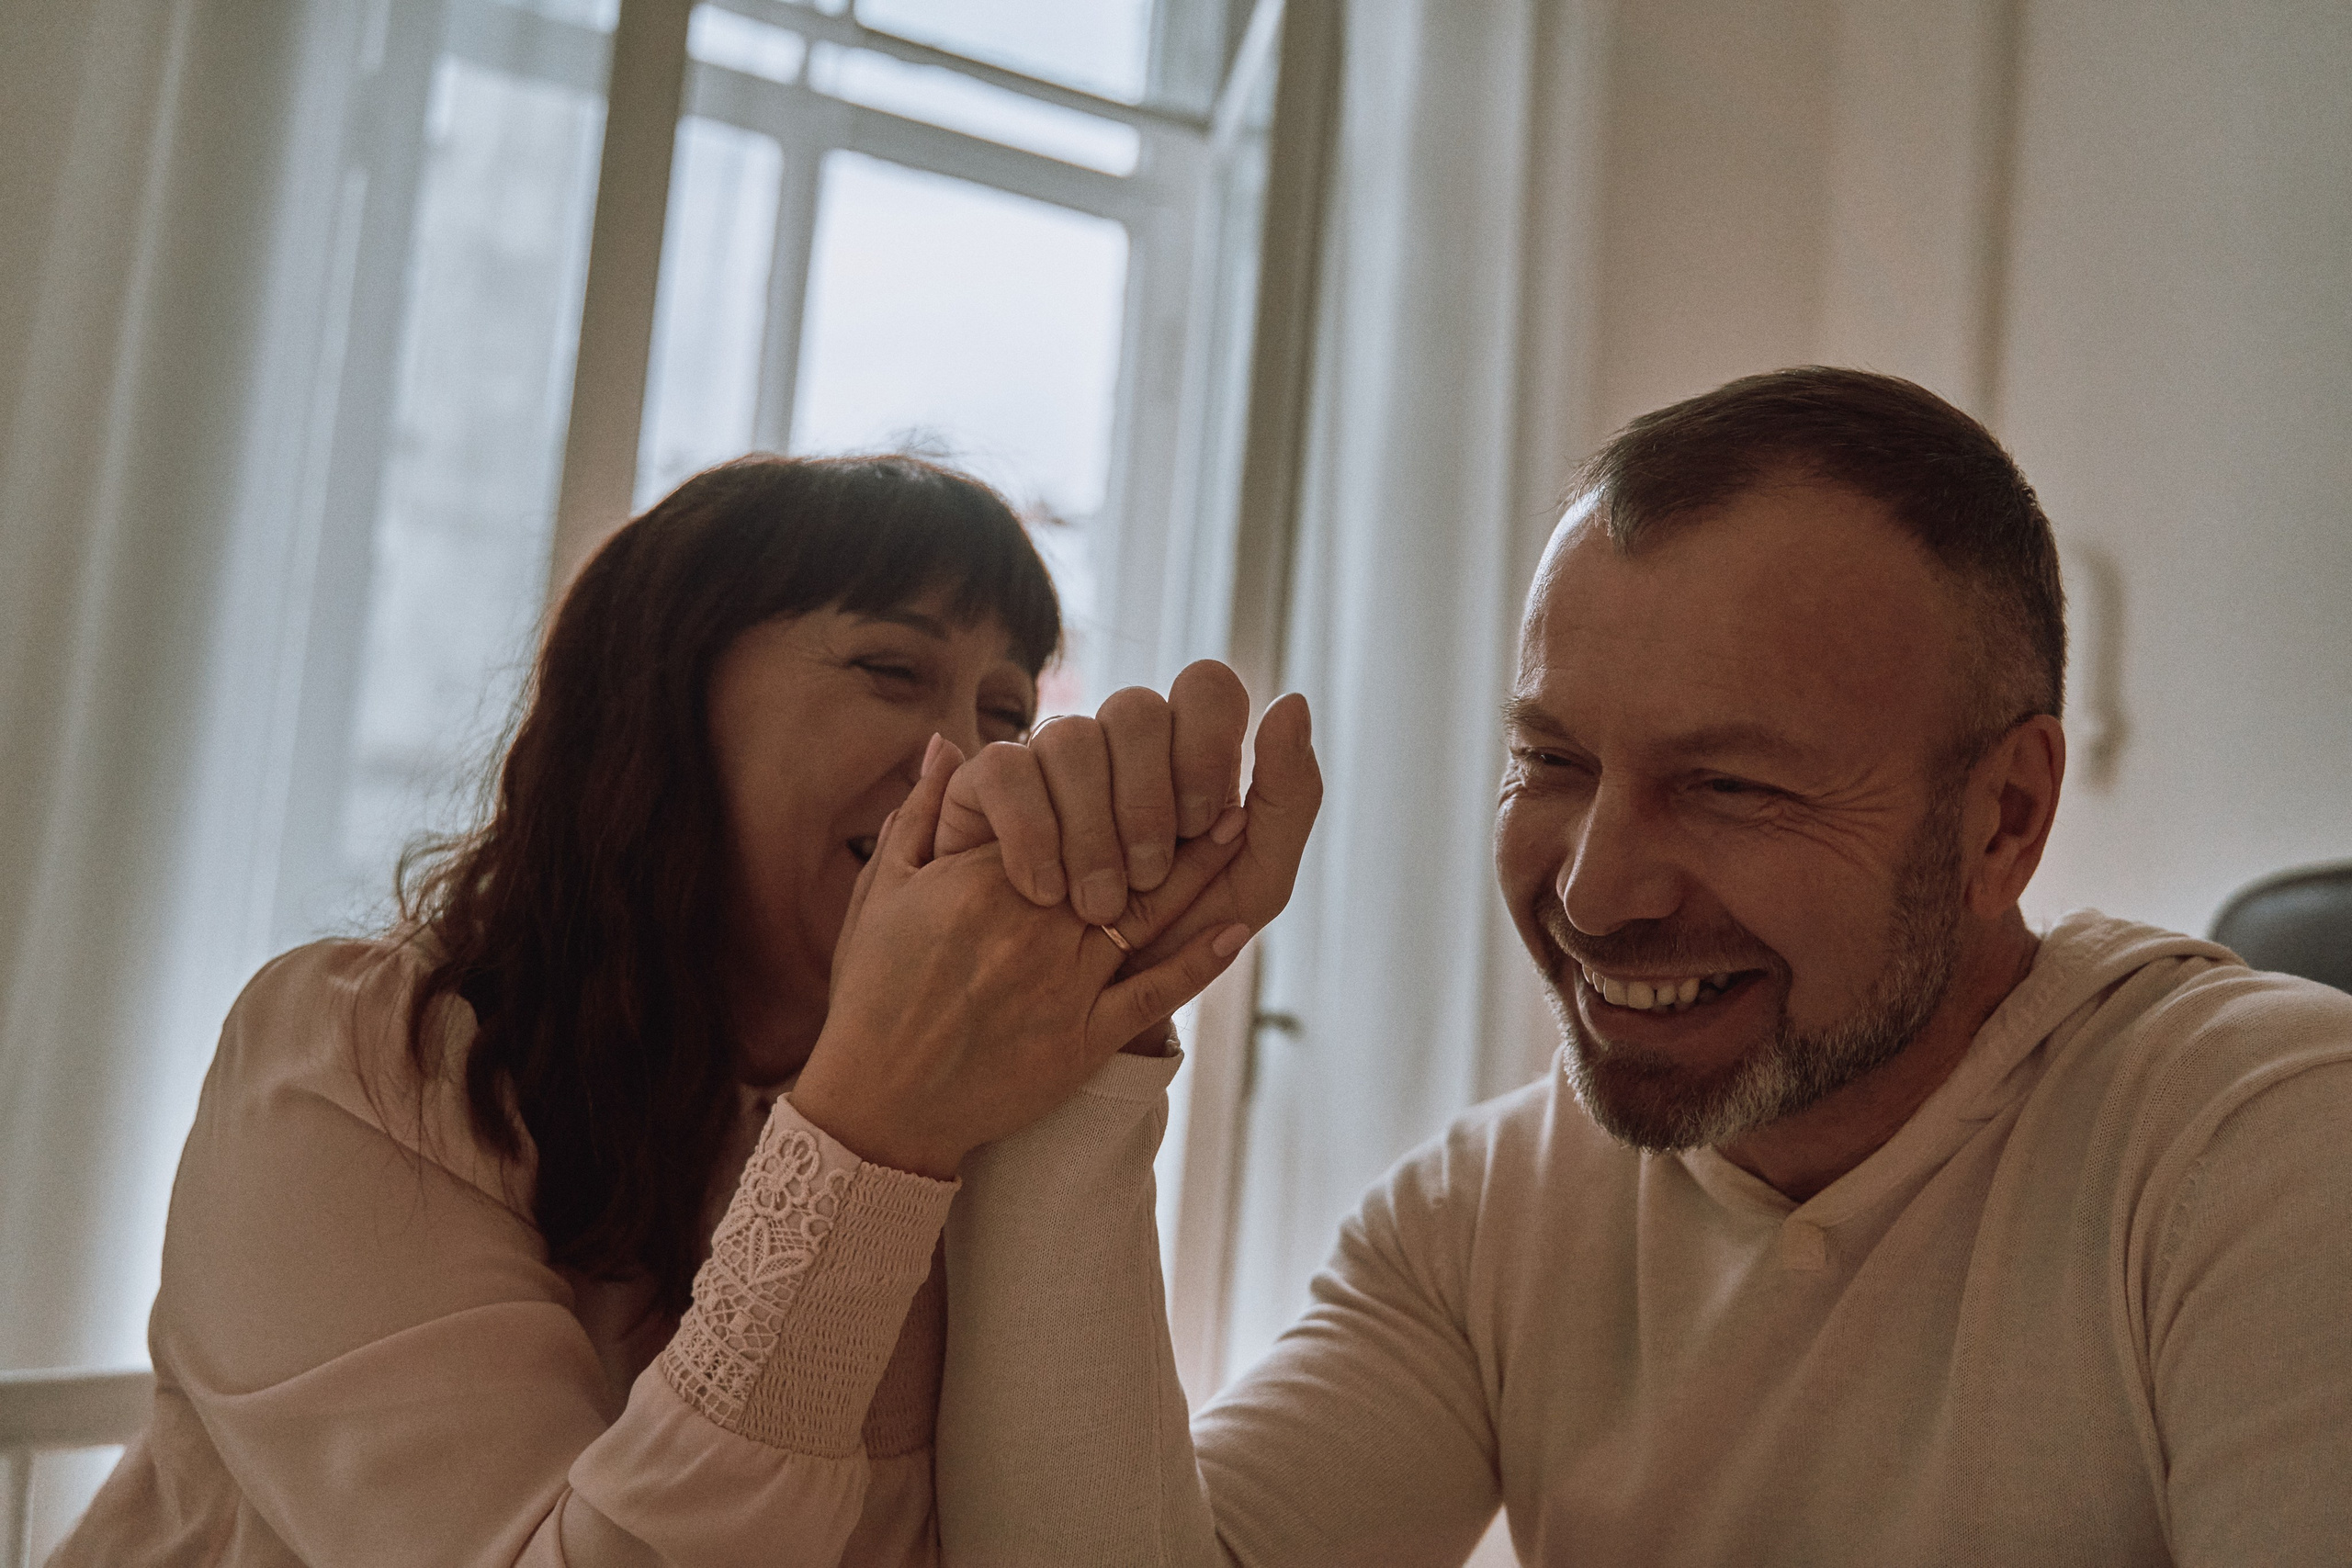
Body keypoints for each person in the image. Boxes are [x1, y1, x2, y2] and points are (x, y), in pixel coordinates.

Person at [928, 368, 2352, 1565]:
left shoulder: (2268, 1147)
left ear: (2006, 819)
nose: (1596, 893)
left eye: (1732, 786)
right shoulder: (1486, 1216)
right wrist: (1083, 1036)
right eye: (1549, 760)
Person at [55, 453, 1321, 1566]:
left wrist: (1089, 1049)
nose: (977, 763)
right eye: (891, 669)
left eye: (1007, 710)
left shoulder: (974, 1124)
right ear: (664, 709)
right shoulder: (352, 1061)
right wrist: (871, 1133)